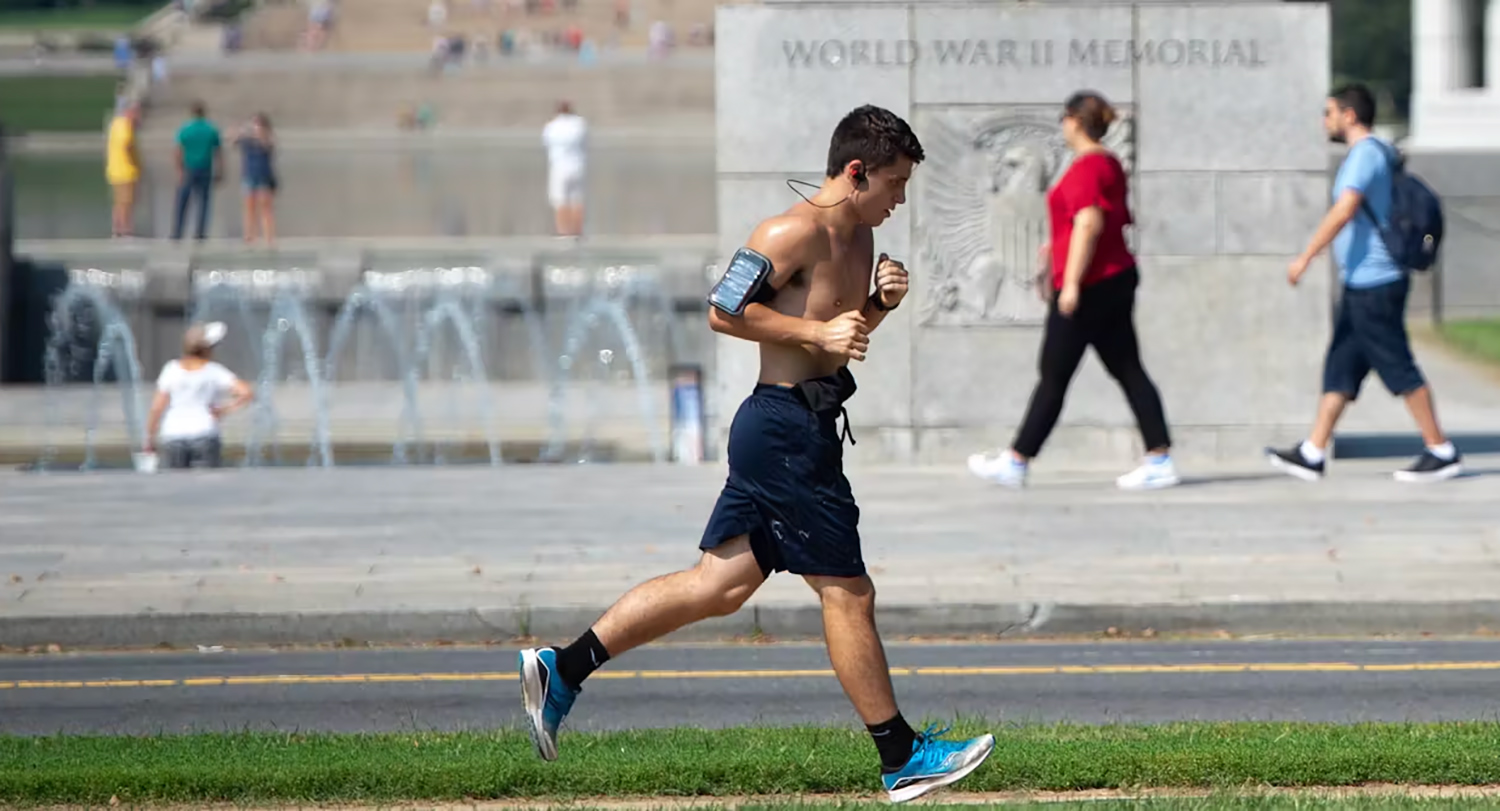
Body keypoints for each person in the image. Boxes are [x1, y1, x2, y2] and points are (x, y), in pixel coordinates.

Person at [516, 105, 995, 804]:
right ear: (855, 171)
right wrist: (821, 330)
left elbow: (837, 335)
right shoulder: (788, 230)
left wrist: (879, 306)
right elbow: (723, 307)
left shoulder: (860, 239)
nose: (899, 200)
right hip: (782, 430)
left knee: (719, 584)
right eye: (893, 184)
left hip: (800, 425)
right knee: (848, 591)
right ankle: (902, 754)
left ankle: (564, 668)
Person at [966, 91, 1176, 491]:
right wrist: (1053, 251)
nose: (1062, 125)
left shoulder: (1090, 167)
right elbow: (1084, 224)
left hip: (1093, 286)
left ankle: (1017, 461)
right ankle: (1159, 457)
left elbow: (1089, 223)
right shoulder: (1105, 163)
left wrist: (1072, 283)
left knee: (1055, 374)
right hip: (1111, 279)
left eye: (1064, 118)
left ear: (1075, 121)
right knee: (1126, 369)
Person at [1267, 83, 1463, 483]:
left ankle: (1440, 450)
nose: (1325, 120)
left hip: (1376, 282)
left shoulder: (1365, 156)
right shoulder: (1378, 154)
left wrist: (1306, 256)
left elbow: (1344, 210)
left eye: (1329, 112)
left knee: (1398, 366)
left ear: (1349, 115)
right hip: (1363, 283)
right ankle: (1313, 452)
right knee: (1341, 366)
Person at [145, 322, 254, 469]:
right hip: (205, 431)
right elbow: (246, 392)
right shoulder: (214, 371)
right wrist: (225, 410)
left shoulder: (171, 369)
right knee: (206, 487)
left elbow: (157, 408)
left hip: (174, 433)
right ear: (207, 349)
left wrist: (150, 438)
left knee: (176, 486)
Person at [172, 101, 223, 242]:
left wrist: (179, 169)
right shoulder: (211, 130)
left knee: (183, 202)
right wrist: (220, 170)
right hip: (205, 168)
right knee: (204, 202)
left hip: (189, 168)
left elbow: (177, 151)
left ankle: (177, 232)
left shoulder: (185, 130)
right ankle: (200, 233)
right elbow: (218, 152)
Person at [542, 101, 587, 237]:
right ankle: (577, 231)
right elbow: (586, 142)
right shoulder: (580, 124)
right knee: (577, 200)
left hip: (559, 167)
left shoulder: (552, 127)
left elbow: (546, 144)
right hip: (578, 166)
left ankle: (563, 231)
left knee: (560, 200)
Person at [235, 113, 278, 245]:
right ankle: (249, 237)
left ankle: (269, 238)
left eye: (259, 125)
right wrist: (240, 131)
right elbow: (235, 140)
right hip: (249, 176)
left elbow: (268, 146)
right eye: (254, 124)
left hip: (264, 177)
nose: (256, 128)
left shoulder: (267, 140)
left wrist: (261, 136)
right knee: (249, 208)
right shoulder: (247, 141)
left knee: (265, 208)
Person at [105, 102, 141, 239]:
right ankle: (126, 231)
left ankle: (117, 230)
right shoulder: (126, 126)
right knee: (127, 203)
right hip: (126, 171)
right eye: (136, 113)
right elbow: (127, 145)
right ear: (129, 112)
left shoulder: (115, 124)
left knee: (119, 203)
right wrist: (136, 162)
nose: (138, 117)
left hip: (114, 171)